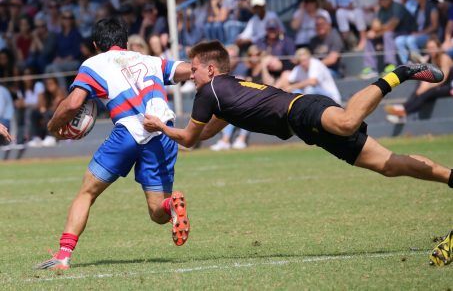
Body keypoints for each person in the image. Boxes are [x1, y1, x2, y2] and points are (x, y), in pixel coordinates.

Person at [143, 41, 453, 265]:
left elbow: (188, 138)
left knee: (346, 122)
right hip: (305, 126)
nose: (189, 75)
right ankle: (451, 178)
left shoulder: (207, 92)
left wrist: (159, 126)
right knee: (387, 165)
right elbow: (204, 133)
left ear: (210, 69)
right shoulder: (227, 91)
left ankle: (400, 72)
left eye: (193, 69)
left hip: (302, 109)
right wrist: (176, 134)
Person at [35, 17, 192, 270]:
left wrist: (53, 126)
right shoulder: (149, 60)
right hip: (163, 134)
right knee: (157, 212)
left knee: (87, 193)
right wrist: (205, 71)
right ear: (126, 42)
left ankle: (63, 256)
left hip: (128, 133)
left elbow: (74, 103)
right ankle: (171, 204)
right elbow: (187, 69)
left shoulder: (94, 64)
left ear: (96, 44)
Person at [385, 36, 453, 123]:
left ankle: (404, 110)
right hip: (439, 86)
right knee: (419, 87)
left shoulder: (444, 58)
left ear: (438, 47)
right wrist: (423, 85)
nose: (431, 50)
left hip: (449, 87)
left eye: (433, 48)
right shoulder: (431, 58)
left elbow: (443, 79)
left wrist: (426, 87)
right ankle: (403, 111)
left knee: (427, 91)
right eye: (429, 48)